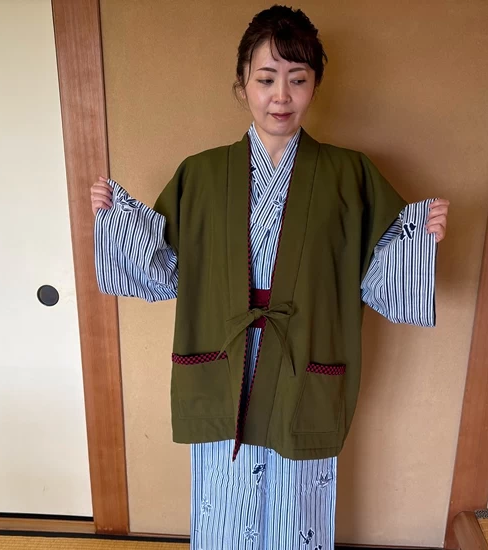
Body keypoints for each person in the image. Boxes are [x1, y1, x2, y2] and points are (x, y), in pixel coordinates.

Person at [90, 5, 449, 549]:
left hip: (305, 355)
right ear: (243, 84)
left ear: (315, 85)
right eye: (266, 79)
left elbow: (381, 277)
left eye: (298, 79)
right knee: (224, 495)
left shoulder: (349, 173)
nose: (281, 96)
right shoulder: (201, 173)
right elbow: (166, 269)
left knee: (298, 500)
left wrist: (419, 238)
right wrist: (119, 222)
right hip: (223, 354)